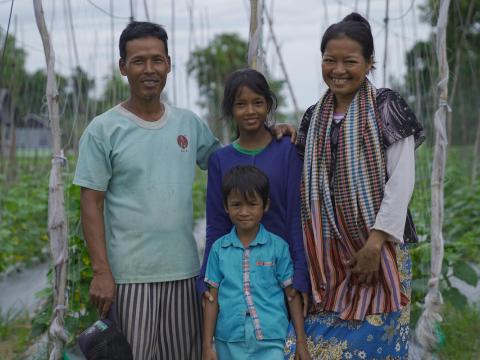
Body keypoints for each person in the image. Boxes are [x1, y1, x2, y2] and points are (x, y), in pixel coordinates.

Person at [74, 21, 295, 360]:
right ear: (123, 67)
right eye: (138, 61)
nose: (149, 69)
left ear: (169, 64)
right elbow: (90, 202)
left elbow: (231, 160)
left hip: (186, 271)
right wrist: (102, 271)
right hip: (130, 276)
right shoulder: (104, 129)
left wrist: (270, 133)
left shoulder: (187, 123)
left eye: (157, 60)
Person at [284, 13, 425, 359]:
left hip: (378, 252)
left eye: (350, 61)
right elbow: (304, 176)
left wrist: (374, 245)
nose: (338, 69)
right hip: (328, 261)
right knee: (305, 348)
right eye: (329, 60)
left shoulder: (385, 107)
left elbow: (401, 182)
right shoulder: (313, 116)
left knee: (374, 347)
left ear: (369, 62)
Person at [197, 68, 310, 316]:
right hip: (236, 276)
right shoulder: (220, 160)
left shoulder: (288, 151)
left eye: (258, 103)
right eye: (241, 104)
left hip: (282, 271)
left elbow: (295, 217)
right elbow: (216, 225)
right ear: (230, 109)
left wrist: (300, 272)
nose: (250, 111)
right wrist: (207, 276)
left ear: (268, 105)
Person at [202, 165, 310, 360]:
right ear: (226, 206)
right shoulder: (219, 249)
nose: (244, 212)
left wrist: (301, 342)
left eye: (252, 204)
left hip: (271, 341)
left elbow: (292, 296)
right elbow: (212, 299)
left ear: (265, 205)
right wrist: (207, 345)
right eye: (236, 205)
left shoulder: (278, 248)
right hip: (228, 341)